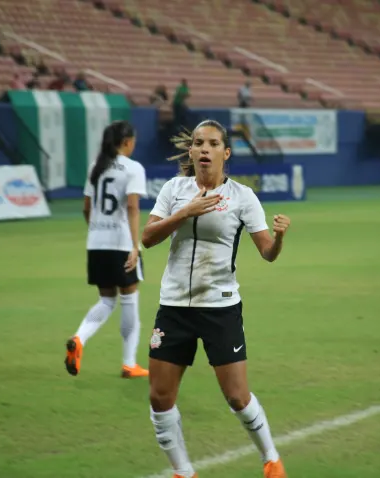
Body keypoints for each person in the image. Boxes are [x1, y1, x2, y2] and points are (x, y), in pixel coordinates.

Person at [142, 119, 291, 478]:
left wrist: (279, 237)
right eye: (198, 143)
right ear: (191, 151)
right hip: (174, 307)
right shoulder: (175, 189)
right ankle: (183, 472)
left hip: (220, 307)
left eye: (211, 144)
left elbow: (267, 253)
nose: (204, 149)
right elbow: (147, 238)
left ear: (225, 153)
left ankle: (270, 459)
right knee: (160, 398)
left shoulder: (242, 197)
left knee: (238, 397)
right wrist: (183, 213)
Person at [64, 120, 149, 379]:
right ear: (127, 142)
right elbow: (133, 208)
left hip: (96, 243)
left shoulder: (96, 167)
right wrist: (134, 246)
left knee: (106, 300)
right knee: (129, 299)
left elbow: (86, 209)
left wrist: (97, 232)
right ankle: (129, 363)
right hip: (121, 242)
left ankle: (79, 339)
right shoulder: (133, 168)